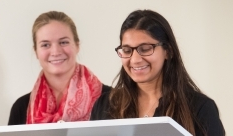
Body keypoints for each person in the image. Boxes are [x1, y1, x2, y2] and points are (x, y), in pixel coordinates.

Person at [90, 9, 225, 136]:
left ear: (168, 51)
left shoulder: (200, 108)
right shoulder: (105, 105)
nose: (135, 60)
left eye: (145, 49)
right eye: (127, 50)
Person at [8, 11, 111, 125]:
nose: (56, 52)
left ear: (77, 46)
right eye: (45, 45)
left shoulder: (113, 100)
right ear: (36, 51)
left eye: (63, 42)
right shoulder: (21, 108)